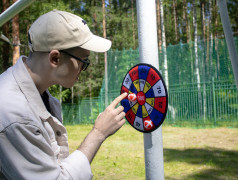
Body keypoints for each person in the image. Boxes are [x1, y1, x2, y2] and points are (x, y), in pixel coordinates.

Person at [0, 10, 127, 180]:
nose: (84, 70)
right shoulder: (14, 115)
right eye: (84, 61)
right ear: (55, 58)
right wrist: (99, 133)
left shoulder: (40, 95)